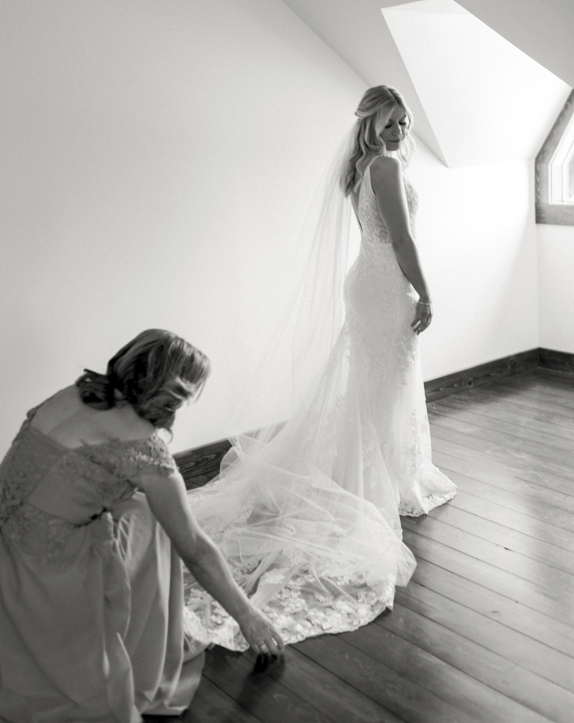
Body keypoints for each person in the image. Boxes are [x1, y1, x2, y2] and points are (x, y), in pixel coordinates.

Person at [184, 85, 455, 649]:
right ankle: (384, 476)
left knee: (377, 380)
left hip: (369, 282)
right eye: (390, 122)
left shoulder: (361, 167)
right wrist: (426, 292)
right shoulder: (382, 166)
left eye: (404, 123)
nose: (400, 131)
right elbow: (400, 237)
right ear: (370, 122)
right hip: (385, 285)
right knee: (388, 377)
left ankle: (386, 467)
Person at [0, 329, 283, 723]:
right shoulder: (145, 449)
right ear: (177, 391)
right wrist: (247, 615)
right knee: (158, 522)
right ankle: (144, 649)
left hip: (0, 541)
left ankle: (138, 628)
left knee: (140, 509)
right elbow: (194, 548)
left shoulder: (75, 393)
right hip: (48, 579)